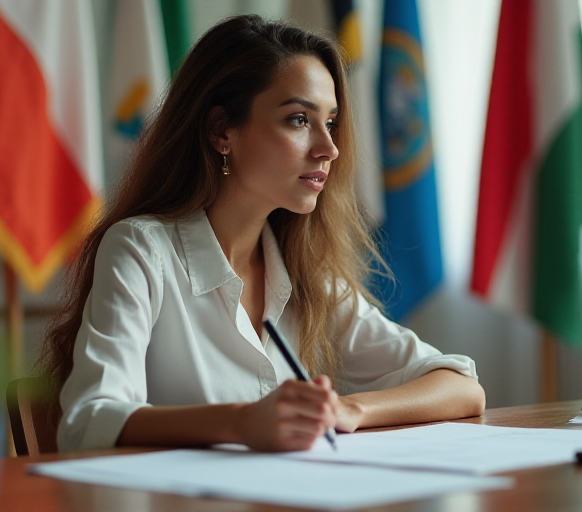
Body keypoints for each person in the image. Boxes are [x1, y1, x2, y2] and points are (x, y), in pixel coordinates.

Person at [40, 14, 485, 453]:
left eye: (329, 122)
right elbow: (86, 421)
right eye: (298, 120)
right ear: (221, 132)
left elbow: (461, 386)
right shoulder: (141, 249)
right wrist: (241, 420)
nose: (328, 148)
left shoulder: (304, 271)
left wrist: (349, 410)